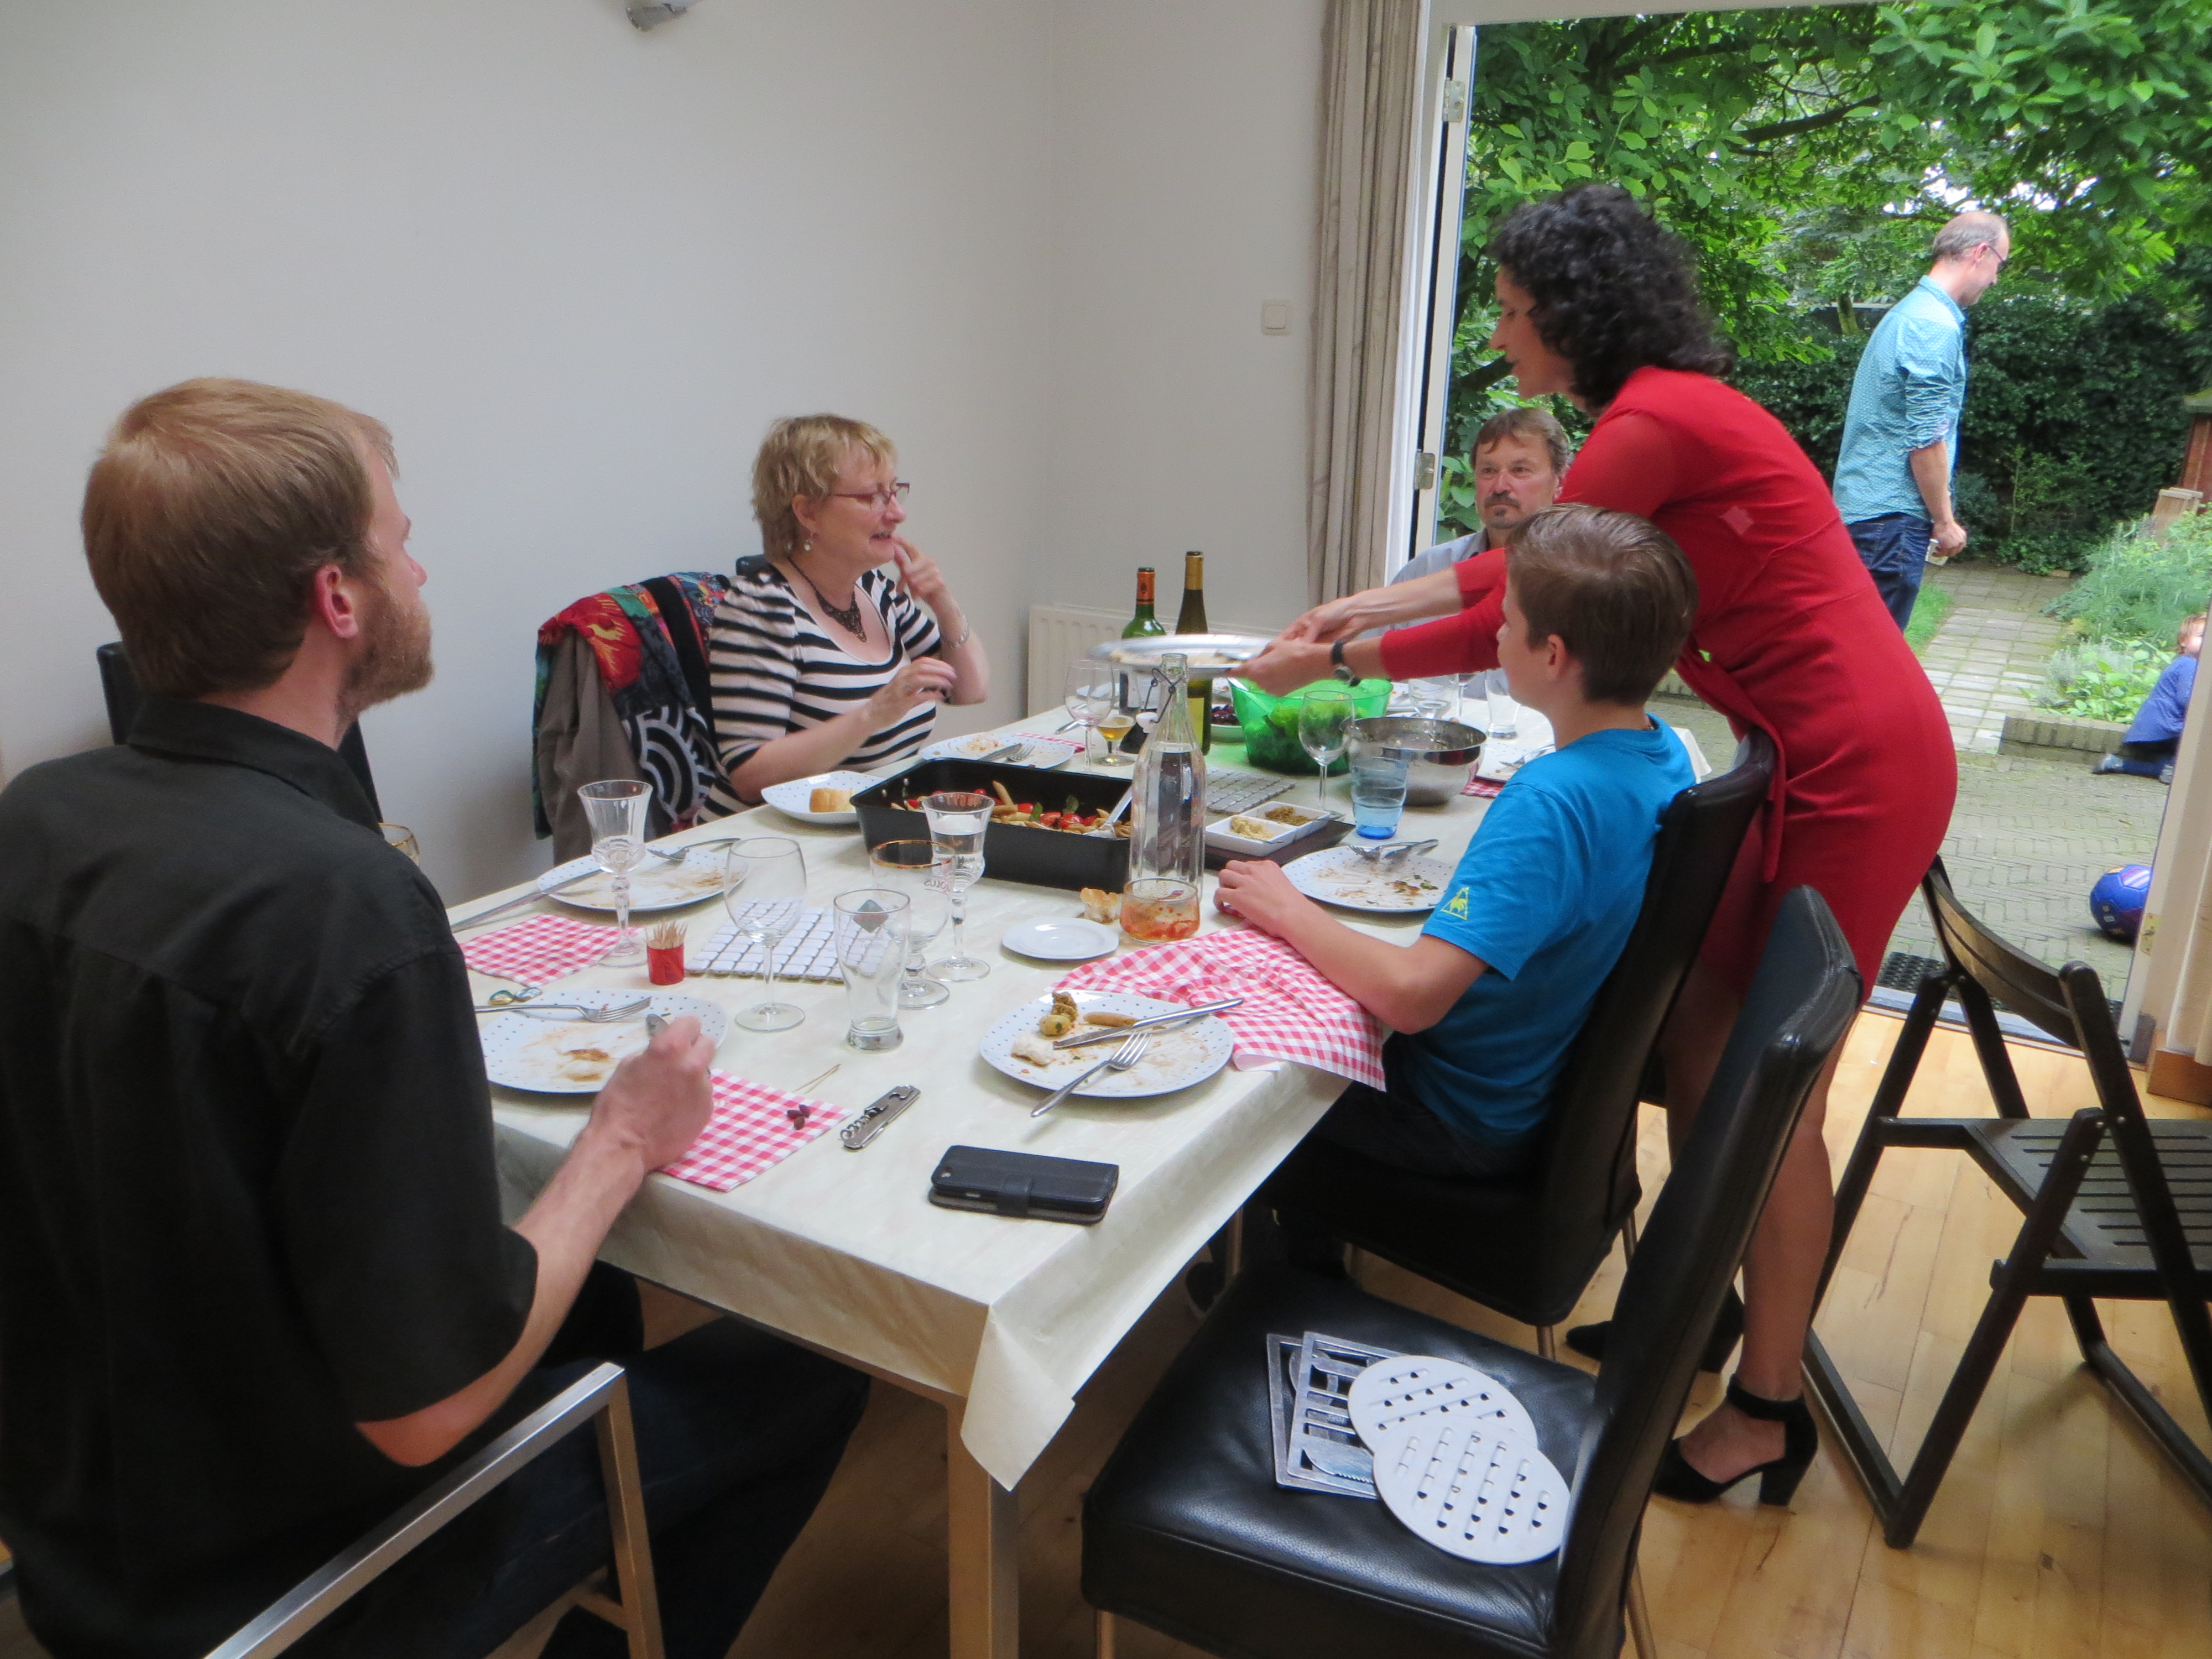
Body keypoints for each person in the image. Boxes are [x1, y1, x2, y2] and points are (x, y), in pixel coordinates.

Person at [0, 379, 868, 1659]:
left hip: (85, 1527)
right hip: (291, 1589)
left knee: (590, 1300)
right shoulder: (347, 906)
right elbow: (427, 1411)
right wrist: (622, 1140)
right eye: (398, 544)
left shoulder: (36, 815)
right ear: (336, 599)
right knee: (808, 1369)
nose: (419, 569)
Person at [1242, 184, 1955, 1506]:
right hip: (1801, 744)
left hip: (1856, 761)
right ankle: (1700, 1304)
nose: (1500, 334)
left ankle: (1766, 1406)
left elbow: (1517, 597)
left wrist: (1339, 655)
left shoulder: (1650, 424)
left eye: (1512, 310)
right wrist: (1355, 609)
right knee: (1696, 1037)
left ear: (1569, 311)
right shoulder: (1661, 415)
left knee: (1770, 1092)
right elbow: (1504, 573)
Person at [1219, 505, 1695, 1244]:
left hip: (1455, 1115)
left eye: (1506, 621)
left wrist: (1285, 907)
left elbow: (1412, 1000)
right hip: (1529, 1086)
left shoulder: (1550, 800)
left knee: (1240, 1064)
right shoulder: (1663, 754)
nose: (1494, 635)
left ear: (1553, 656)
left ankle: (1288, 1276)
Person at [704, 414, 990, 810]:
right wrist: (874, 713)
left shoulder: (874, 588)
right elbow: (751, 777)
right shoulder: (761, 608)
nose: (897, 513)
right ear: (807, 512)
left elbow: (970, 690)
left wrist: (942, 599)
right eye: (872, 497)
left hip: (860, 823)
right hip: (767, 838)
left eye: (895, 492)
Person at [1830, 211, 2011, 629]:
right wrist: (1945, 522)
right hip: (1889, 525)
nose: (1995, 280)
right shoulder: (1932, 326)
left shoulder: (1911, 312)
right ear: (1981, 253)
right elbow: (1927, 439)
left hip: (1873, 519)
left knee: (1855, 651)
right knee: (1873, 658)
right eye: (2000, 265)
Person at [1392, 405, 1573, 583]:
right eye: (1488, 471)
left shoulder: (1576, 576)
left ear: (1560, 482)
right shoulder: (1428, 570)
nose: (1500, 487)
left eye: (1520, 470)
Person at [2095, 611, 2204, 782]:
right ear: (2183, 641)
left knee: (2173, 767)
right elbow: (2187, 699)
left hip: (2154, 731)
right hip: (2164, 730)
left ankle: (2119, 764)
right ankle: (2172, 769)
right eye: (2202, 636)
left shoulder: (2188, 665)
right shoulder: (2189, 664)